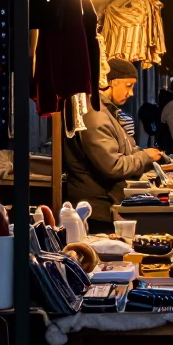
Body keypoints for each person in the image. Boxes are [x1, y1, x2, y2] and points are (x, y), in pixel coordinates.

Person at [64, 58, 163, 233]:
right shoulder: (94, 114)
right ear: (111, 82)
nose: (131, 93)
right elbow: (113, 166)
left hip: (101, 202)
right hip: (95, 206)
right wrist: (145, 157)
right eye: (128, 85)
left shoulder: (104, 110)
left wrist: (142, 154)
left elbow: (123, 150)